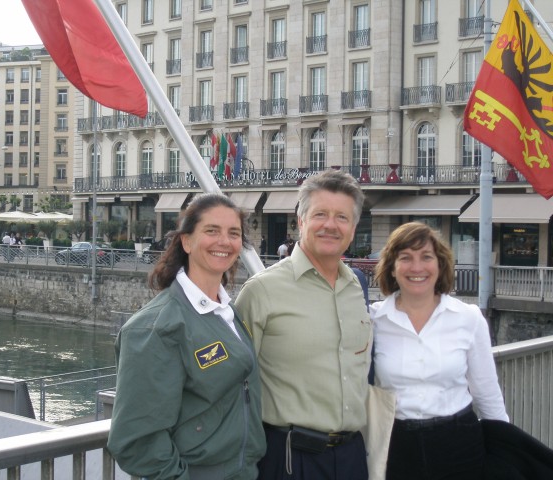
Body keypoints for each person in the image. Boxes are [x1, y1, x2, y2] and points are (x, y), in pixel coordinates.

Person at [107, 193, 266, 480]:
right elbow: (137, 441)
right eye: (211, 231)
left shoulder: (227, 311)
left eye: (234, 233)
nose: (224, 241)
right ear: (187, 241)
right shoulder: (155, 328)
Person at [235, 170, 372, 480]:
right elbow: (234, 384)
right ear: (300, 221)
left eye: (341, 217)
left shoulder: (356, 287)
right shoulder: (262, 290)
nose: (330, 225)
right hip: (289, 460)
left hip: (352, 458)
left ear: (353, 228)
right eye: (320, 214)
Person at [371, 222, 509, 480]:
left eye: (426, 257)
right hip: (395, 445)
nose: (417, 267)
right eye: (405, 258)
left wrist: (506, 452)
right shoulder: (373, 321)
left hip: (458, 443)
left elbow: (488, 396)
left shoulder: (468, 318)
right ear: (392, 267)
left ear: (440, 264)